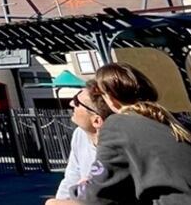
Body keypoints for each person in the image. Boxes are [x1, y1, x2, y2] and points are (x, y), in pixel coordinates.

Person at [75, 63, 191, 205]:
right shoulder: (176, 120)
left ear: (111, 98)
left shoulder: (118, 125)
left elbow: (96, 196)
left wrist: (78, 189)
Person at [45, 81, 112, 204]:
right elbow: (71, 177)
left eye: (77, 102)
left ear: (96, 121)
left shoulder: (117, 146)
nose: (71, 103)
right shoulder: (79, 134)